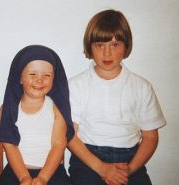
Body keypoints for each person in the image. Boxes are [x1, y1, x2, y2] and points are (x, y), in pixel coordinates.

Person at [67, 9, 167, 185]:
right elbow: (69, 135)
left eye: (114, 45)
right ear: (90, 46)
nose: (107, 53)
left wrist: (128, 170)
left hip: (130, 159)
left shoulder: (142, 87)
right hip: (87, 159)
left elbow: (150, 137)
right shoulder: (76, 85)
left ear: (126, 46)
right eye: (100, 45)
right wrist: (102, 168)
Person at [0, 45, 74, 185]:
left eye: (47, 75)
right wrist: (24, 177)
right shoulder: (9, 109)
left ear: (54, 79)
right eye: (32, 74)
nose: (40, 80)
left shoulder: (56, 109)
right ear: (19, 78)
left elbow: (58, 145)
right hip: (16, 171)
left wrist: (43, 178)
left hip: (51, 170)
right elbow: (10, 145)